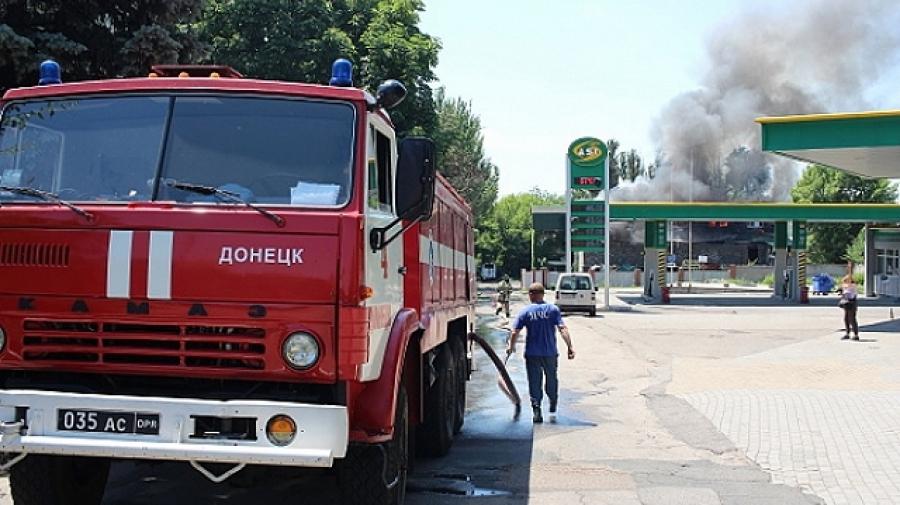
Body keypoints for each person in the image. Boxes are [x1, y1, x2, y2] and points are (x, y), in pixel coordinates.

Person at [506, 282, 575, 423]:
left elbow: (515, 331)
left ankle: (536, 410)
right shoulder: (553, 309)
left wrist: (511, 346)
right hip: (550, 353)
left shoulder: (526, 312)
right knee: (551, 378)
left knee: (534, 382)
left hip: (532, 354)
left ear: (531, 295)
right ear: (542, 294)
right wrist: (570, 347)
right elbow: (563, 329)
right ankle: (553, 400)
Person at [839, 275, 859, 341]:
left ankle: (856, 335)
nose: (845, 283)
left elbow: (851, 289)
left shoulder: (853, 286)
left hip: (852, 303)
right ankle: (847, 333)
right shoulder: (846, 287)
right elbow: (844, 289)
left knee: (852, 319)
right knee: (846, 319)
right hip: (846, 303)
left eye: (846, 281)